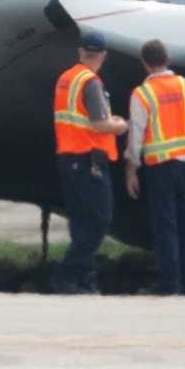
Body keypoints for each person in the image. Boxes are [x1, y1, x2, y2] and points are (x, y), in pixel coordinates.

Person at [124, 38, 185, 297]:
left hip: (159, 169)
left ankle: (169, 285)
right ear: (168, 60)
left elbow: (136, 135)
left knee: (166, 228)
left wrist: (131, 168)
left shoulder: (142, 94)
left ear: (145, 64)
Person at [50, 31, 128, 294]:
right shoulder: (90, 82)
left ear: (81, 52)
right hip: (87, 158)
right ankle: (68, 273)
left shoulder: (66, 78)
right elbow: (98, 123)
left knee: (82, 220)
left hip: (68, 156)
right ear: (103, 56)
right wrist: (118, 125)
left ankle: (82, 278)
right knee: (100, 217)